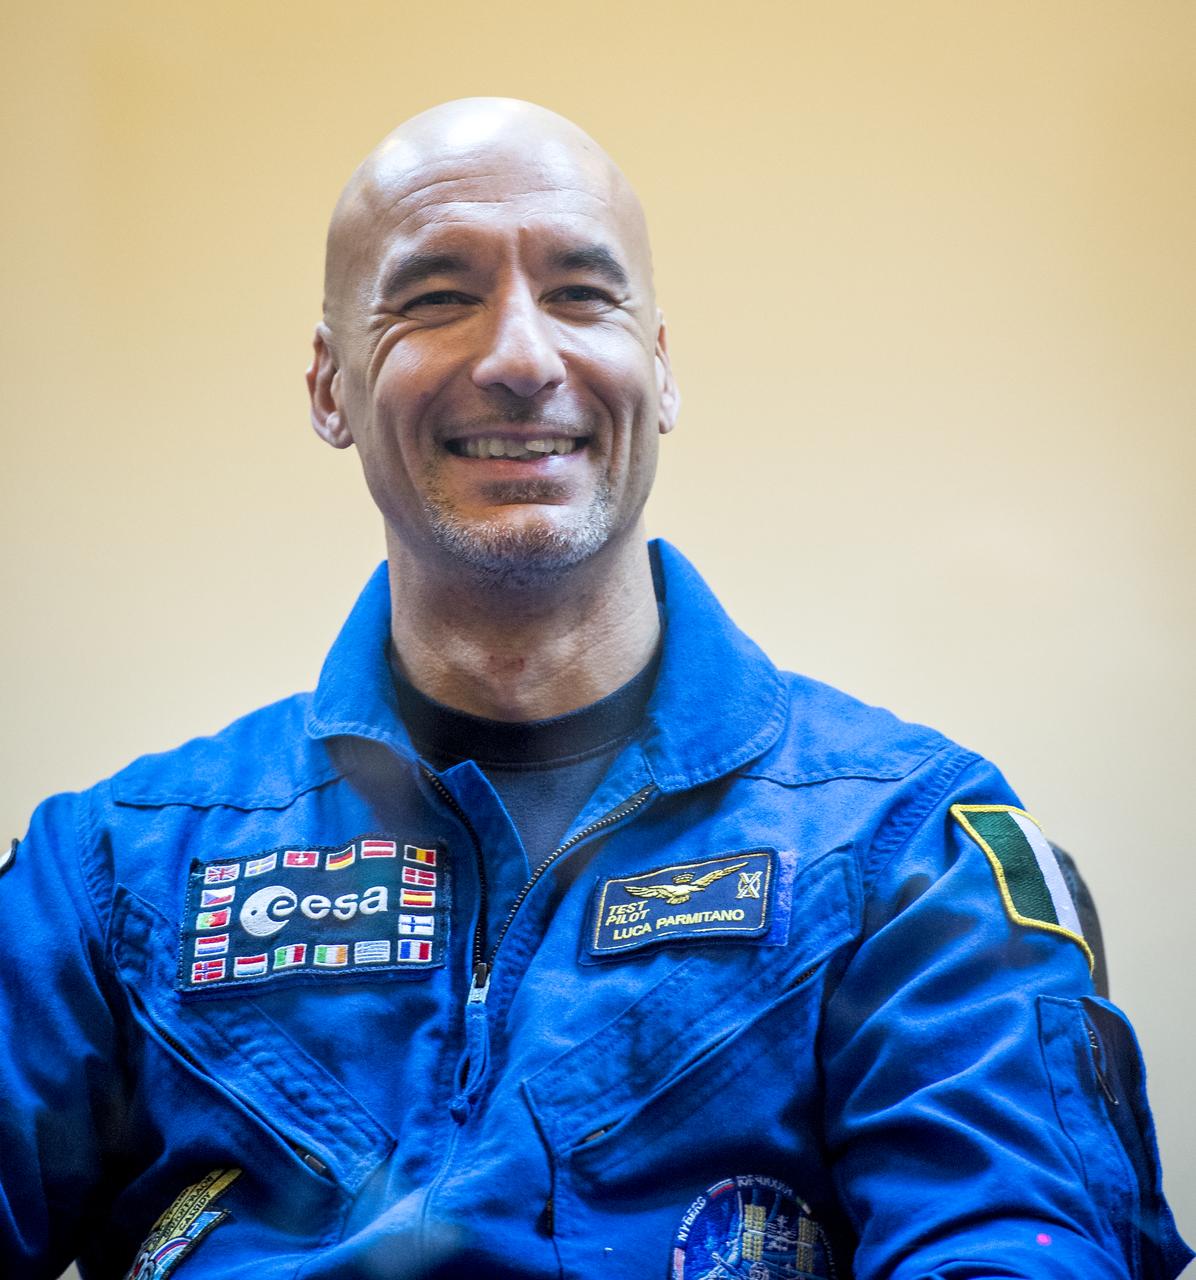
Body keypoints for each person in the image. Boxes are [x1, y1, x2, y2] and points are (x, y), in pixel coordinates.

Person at [0, 98, 1189, 1280]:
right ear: (329, 386)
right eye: (434, 297)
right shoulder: (106, 873)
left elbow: (1009, 1247)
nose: (521, 357)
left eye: (581, 294)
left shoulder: (903, 845)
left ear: (657, 371)